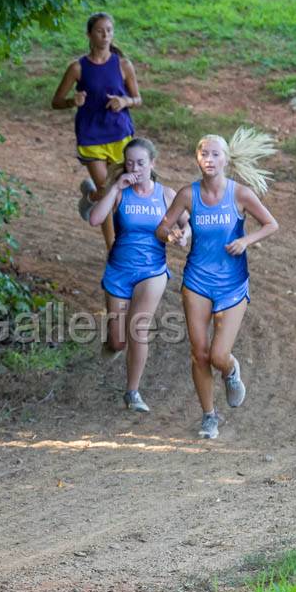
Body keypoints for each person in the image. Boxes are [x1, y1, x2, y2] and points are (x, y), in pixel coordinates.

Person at [157, 128, 279, 439]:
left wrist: (246, 241)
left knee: (217, 355)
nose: (208, 159)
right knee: (199, 353)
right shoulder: (188, 194)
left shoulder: (240, 194)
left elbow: (271, 224)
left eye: (214, 154)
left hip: (233, 283)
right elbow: (162, 227)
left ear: (225, 160)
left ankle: (230, 370)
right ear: (197, 159)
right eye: (203, 154)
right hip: (197, 279)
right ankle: (209, 416)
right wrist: (172, 235)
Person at [87, 137, 189, 412]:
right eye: (130, 163)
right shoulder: (121, 192)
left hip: (152, 270)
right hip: (119, 270)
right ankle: (112, 343)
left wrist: (183, 236)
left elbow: (186, 224)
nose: (135, 168)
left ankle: (132, 392)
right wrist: (114, 188)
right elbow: (95, 219)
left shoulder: (166, 194)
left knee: (138, 327)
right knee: (119, 340)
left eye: (141, 163)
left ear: (152, 164)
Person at [50, 12, 142, 252]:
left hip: (119, 135)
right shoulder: (77, 68)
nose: (105, 36)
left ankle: (90, 197)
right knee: (111, 190)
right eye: (100, 31)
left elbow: (138, 99)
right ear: (89, 34)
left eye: (109, 31)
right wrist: (73, 101)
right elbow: (56, 101)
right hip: (91, 137)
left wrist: (125, 102)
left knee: (116, 191)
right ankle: (113, 247)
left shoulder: (123, 65)